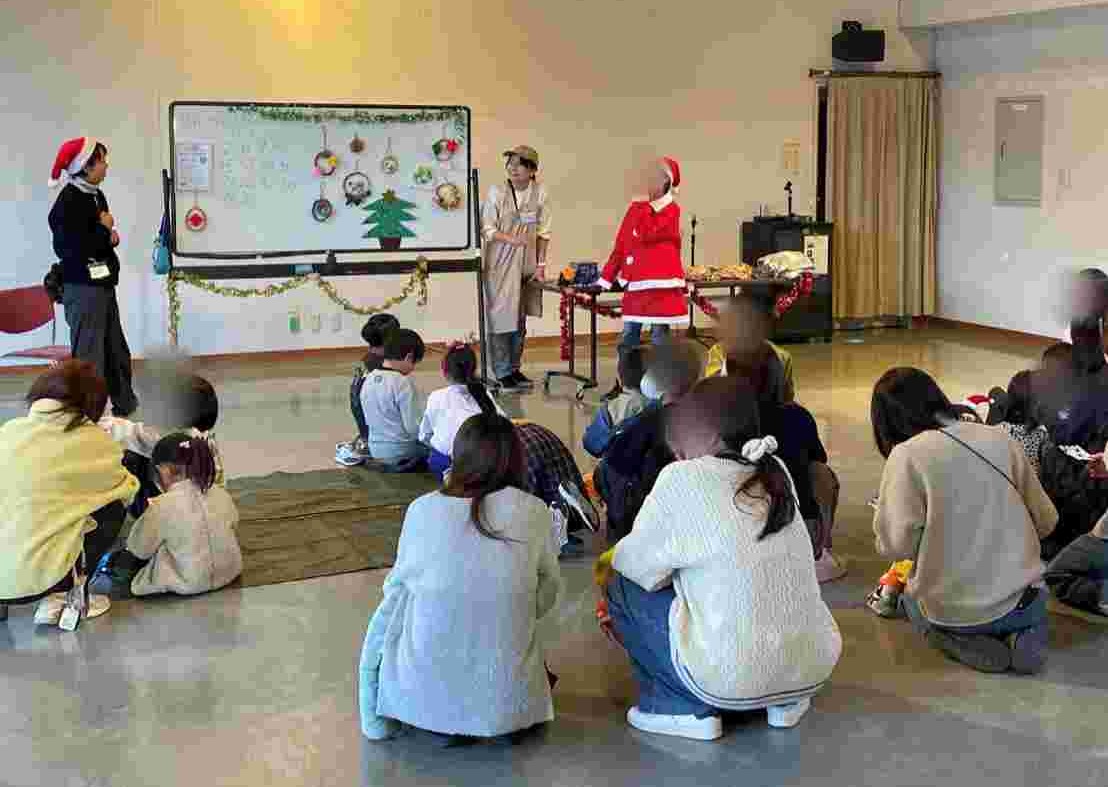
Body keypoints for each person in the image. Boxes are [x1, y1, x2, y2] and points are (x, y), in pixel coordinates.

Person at [599, 377, 841, 741]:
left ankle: (678, 705)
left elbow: (634, 563)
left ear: (709, 434)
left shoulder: (683, 476)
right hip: (809, 669)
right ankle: (783, 700)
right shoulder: (775, 470)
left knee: (621, 582)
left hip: (726, 681)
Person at [359, 413, 563, 741]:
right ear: (516, 460)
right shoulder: (534, 511)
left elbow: (395, 589)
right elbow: (547, 594)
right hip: (508, 708)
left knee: (403, 600)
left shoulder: (421, 509)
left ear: (459, 456)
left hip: (419, 704)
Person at [870, 367, 1058, 673]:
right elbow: (1047, 521)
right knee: (1030, 603)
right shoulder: (999, 437)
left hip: (953, 611)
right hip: (1022, 601)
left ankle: (967, 645)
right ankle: (1023, 634)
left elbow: (897, 547)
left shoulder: (906, 456)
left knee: (910, 603)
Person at [0, 360, 139, 626]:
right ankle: (73, 593)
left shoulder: (9, 431)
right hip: (44, 578)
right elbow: (127, 488)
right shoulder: (94, 440)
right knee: (114, 503)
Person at [47, 137, 137, 417]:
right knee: (89, 356)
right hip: (83, 288)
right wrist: (103, 230)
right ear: (86, 166)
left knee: (115, 350)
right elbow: (69, 249)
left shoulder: (95, 194)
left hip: (102, 283)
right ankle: (88, 415)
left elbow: (93, 239)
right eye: (101, 161)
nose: (106, 165)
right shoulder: (68, 202)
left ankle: (123, 406)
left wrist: (108, 236)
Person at [90, 433, 241, 598]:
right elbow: (234, 524)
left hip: (188, 583)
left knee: (119, 562)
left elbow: (139, 549)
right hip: (229, 573)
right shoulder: (221, 494)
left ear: (163, 470)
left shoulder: (162, 505)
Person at [594, 340, 701, 542]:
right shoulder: (708, 419)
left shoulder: (640, 424)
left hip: (640, 525)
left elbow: (605, 456)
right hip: (685, 523)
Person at [598, 157, 688, 352]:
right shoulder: (636, 208)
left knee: (659, 338)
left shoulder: (671, 209)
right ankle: (627, 371)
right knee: (629, 336)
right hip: (636, 283)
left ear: (666, 181)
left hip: (661, 286)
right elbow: (622, 244)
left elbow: (648, 233)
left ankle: (660, 371)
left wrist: (642, 206)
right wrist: (605, 278)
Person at [101, 374, 224, 517]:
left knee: (126, 456)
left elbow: (126, 432)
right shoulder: (207, 440)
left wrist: (101, 418)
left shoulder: (162, 437)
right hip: (204, 507)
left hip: (164, 510)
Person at [482, 145, 551, 392]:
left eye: (519, 164)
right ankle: (501, 371)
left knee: (520, 317)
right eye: (510, 163)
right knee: (501, 317)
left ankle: (513, 367)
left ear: (532, 170)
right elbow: (487, 228)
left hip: (527, 263)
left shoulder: (540, 193)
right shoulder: (497, 192)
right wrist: (511, 239)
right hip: (500, 263)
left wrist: (540, 265)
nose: (512, 168)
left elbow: (544, 232)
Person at [514, 420, 599, 556]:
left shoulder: (499, 446)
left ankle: (555, 528)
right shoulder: (533, 429)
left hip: (517, 449)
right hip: (542, 439)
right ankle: (562, 513)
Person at [419, 342, 502, 481]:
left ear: (444, 371)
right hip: (484, 465)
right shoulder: (485, 394)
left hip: (445, 465)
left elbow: (424, 436)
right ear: (474, 369)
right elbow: (504, 426)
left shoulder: (436, 396)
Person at [337, 314, 400, 466]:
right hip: (378, 432)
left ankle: (365, 440)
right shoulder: (385, 366)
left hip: (367, 427)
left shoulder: (368, 359)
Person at [361, 328, 428, 471]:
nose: (413, 368)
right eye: (414, 363)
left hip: (375, 449)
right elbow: (413, 429)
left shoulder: (369, 378)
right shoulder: (403, 382)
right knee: (440, 450)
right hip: (402, 451)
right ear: (409, 357)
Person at [583, 346, 648, 458]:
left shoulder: (610, 407)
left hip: (614, 464)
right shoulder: (653, 406)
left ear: (620, 378)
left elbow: (590, 443)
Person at [988, 370, 1048, 476]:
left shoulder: (998, 431)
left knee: (995, 392)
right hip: (1030, 480)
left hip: (1002, 475)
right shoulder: (1044, 434)